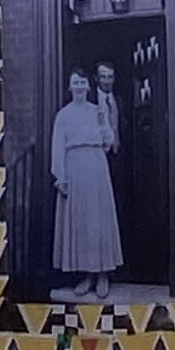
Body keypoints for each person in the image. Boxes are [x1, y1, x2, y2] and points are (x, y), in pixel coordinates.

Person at [50, 67, 123, 295]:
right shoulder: (63, 115)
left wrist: (104, 122)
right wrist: (60, 177)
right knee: (82, 225)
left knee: (98, 222)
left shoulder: (96, 111)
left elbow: (108, 142)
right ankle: (87, 276)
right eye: (76, 83)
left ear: (88, 87)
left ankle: (103, 276)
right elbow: (57, 148)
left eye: (83, 83)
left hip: (96, 167)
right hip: (74, 169)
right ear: (70, 87)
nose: (80, 87)